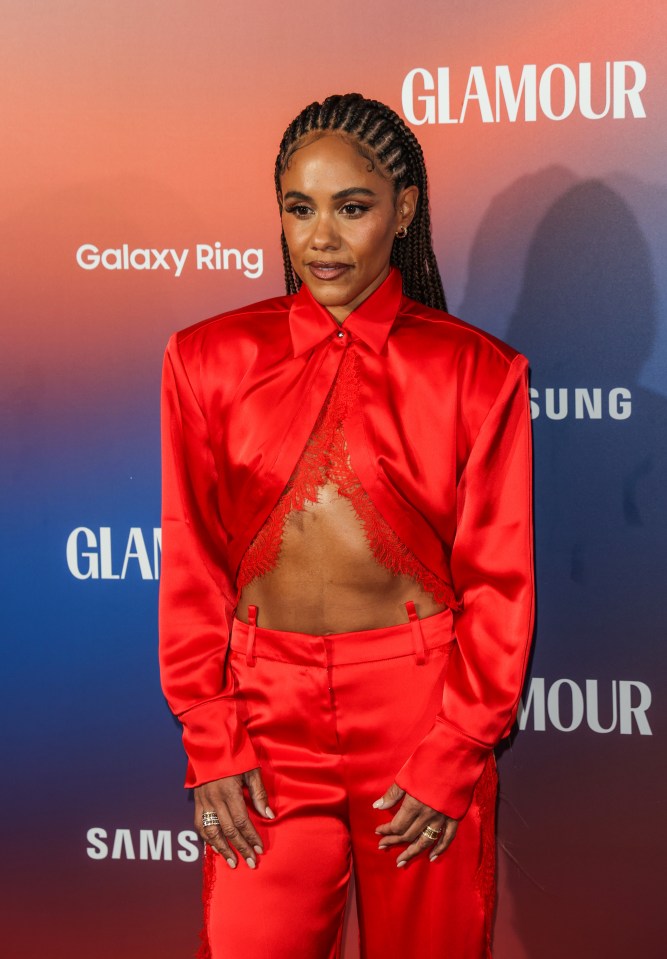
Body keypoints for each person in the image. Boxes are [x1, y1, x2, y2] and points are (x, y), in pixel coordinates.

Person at [159, 92, 534, 959]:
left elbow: (500, 582)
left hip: (419, 713)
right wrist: (212, 736)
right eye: (299, 207)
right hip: (262, 716)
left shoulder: (476, 371)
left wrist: (455, 749)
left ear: (403, 211)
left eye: (351, 207)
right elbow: (191, 561)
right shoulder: (206, 358)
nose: (320, 238)